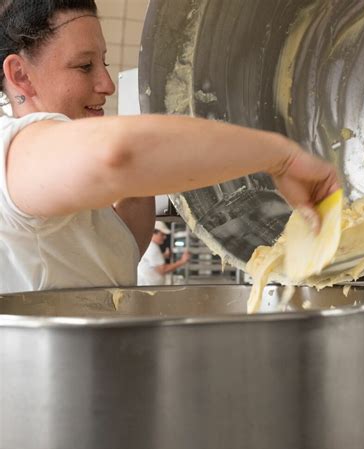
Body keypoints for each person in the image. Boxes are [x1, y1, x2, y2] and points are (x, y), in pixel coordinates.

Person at [0, 0, 339, 294]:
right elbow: (115, 156)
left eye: (103, 63)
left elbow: (115, 253)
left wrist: (141, 182)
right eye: (84, 66)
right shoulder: (12, 149)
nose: (106, 84)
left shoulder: (53, 179)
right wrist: (281, 157)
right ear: (21, 75)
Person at [137, 221, 190, 286]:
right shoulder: (152, 248)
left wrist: (163, 256)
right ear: (153, 233)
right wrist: (182, 261)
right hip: (149, 287)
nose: (165, 237)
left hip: (148, 286)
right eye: (162, 234)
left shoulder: (148, 245)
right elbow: (163, 270)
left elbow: (150, 261)